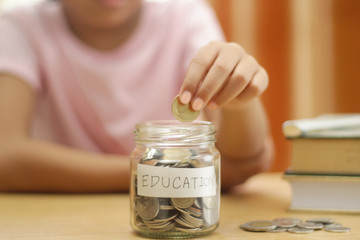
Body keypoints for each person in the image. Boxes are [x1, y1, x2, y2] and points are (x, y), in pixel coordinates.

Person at [0, 0, 274, 192]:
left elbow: (246, 160)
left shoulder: (185, 15)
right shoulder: (18, 25)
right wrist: (162, 172)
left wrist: (239, 101)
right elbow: (6, 157)